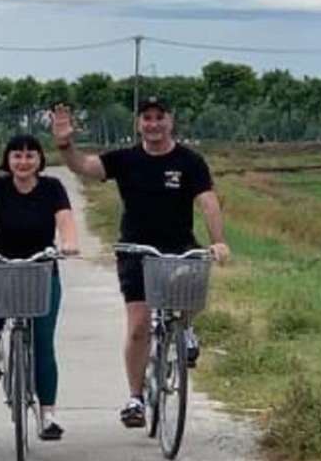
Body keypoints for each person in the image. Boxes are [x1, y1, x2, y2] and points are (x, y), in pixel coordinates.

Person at [50, 96, 230, 429]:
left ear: (170, 121)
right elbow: (85, 167)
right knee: (138, 326)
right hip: (135, 249)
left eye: (159, 117)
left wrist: (218, 240)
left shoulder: (190, 161)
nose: (153, 124)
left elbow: (208, 203)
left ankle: (186, 328)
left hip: (179, 246)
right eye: (146, 118)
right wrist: (65, 145)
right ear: (139, 124)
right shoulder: (126, 159)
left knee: (193, 295)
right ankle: (136, 397)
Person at [0, 134, 80, 441]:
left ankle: (48, 414)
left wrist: (69, 242)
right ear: (8, 160)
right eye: (17, 156)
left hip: (42, 267)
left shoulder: (52, 188)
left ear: (39, 159)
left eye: (30, 156)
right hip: (4, 263)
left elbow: (65, 219)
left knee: (43, 342)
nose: (23, 162)